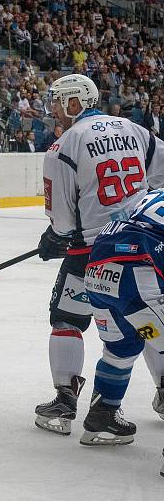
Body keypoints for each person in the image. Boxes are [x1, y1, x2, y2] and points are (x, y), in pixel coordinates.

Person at [34, 73, 164, 436]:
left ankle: (64, 401)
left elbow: (60, 220)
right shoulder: (134, 130)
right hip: (143, 244)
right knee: (148, 317)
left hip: (92, 251)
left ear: (75, 102)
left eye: (59, 101)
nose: (55, 109)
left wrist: (54, 237)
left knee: (66, 319)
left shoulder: (63, 147)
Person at [77, 189, 164, 446]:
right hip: (138, 277)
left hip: (98, 276)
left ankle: (102, 418)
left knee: (122, 347)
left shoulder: (153, 194)